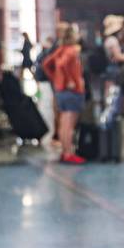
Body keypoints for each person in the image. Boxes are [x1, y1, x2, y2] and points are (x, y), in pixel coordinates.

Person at [42, 25, 86, 164]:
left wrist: (56, 79)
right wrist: (70, 80)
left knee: (63, 123)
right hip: (71, 91)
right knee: (69, 124)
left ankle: (65, 152)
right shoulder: (72, 51)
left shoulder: (60, 49)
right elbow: (61, 65)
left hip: (61, 90)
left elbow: (46, 64)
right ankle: (68, 153)